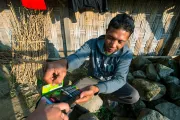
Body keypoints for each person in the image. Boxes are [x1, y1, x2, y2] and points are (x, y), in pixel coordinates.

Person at [43, 13, 140, 105]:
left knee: (134, 96)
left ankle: (106, 96)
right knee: (69, 96)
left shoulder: (126, 54)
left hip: (112, 81)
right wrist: (64, 63)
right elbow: (78, 57)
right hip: (93, 80)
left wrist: (97, 89)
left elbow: (119, 79)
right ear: (106, 32)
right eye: (110, 38)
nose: (113, 45)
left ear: (127, 40)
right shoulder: (92, 44)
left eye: (120, 41)